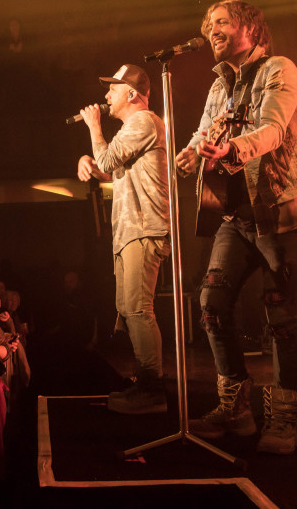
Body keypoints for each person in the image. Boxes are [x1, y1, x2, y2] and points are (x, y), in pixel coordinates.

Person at [175, 0, 297, 455]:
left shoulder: (280, 69)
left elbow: (274, 128)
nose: (211, 30)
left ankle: (283, 418)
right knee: (212, 304)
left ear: (251, 30)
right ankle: (235, 408)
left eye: (222, 22)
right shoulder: (218, 85)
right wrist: (190, 152)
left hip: (284, 213)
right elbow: (205, 132)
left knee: (280, 313)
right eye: (208, 24)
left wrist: (233, 150)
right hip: (235, 216)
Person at [75, 63, 169, 414]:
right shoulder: (134, 128)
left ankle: (152, 388)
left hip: (144, 227)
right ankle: (145, 382)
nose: (105, 96)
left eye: (112, 89)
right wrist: (89, 160)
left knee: (138, 309)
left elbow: (109, 155)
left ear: (131, 93)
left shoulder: (143, 122)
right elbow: (111, 166)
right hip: (132, 229)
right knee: (128, 310)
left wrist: (94, 129)